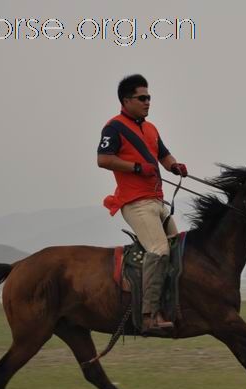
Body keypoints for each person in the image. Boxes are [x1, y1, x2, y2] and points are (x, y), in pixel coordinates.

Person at [96, 74, 188, 333]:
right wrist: (136, 167)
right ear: (127, 100)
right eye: (142, 98)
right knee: (159, 251)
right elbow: (103, 159)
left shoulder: (150, 128)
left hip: (158, 202)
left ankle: (174, 307)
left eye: (149, 97)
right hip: (135, 202)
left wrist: (174, 166)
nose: (148, 102)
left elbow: (163, 154)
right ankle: (148, 315)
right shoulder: (113, 127)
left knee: (180, 252)